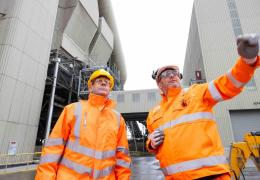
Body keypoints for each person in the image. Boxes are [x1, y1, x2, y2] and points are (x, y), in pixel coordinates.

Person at [146, 33, 260, 180]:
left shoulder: (196, 93)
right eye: (166, 74)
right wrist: (151, 144)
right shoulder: (154, 114)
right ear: (159, 85)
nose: (172, 75)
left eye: (175, 73)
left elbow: (228, 84)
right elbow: (153, 144)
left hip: (211, 175)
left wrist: (247, 62)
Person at [35, 69, 131, 179]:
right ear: (90, 87)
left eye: (107, 82)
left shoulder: (118, 119)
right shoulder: (72, 110)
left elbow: (122, 159)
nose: (104, 83)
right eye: (99, 81)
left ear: (110, 89)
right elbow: (53, 149)